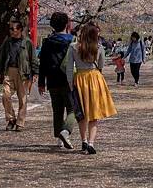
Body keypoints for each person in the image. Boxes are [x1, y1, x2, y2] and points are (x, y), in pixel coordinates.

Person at [65, 24, 117, 154]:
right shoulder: (99, 47)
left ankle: (83, 140)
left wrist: (70, 83)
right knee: (94, 114)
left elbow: (69, 68)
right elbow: (101, 65)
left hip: (79, 79)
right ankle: (91, 143)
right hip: (94, 79)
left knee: (81, 114)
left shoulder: (73, 47)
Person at [38, 12, 75, 149]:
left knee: (57, 110)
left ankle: (58, 138)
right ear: (67, 24)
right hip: (68, 79)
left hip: (52, 80)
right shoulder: (72, 41)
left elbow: (42, 63)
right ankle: (65, 131)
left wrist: (41, 82)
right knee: (73, 109)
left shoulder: (47, 42)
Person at [0, 20, 39, 132]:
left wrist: (35, 72)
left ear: (19, 29)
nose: (11, 31)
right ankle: (11, 119)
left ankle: (20, 122)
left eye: (13, 29)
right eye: (10, 29)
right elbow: (2, 57)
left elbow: (33, 59)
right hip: (9, 71)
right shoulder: (7, 42)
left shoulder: (27, 43)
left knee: (22, 99)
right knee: (5, 96)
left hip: (23, 73)